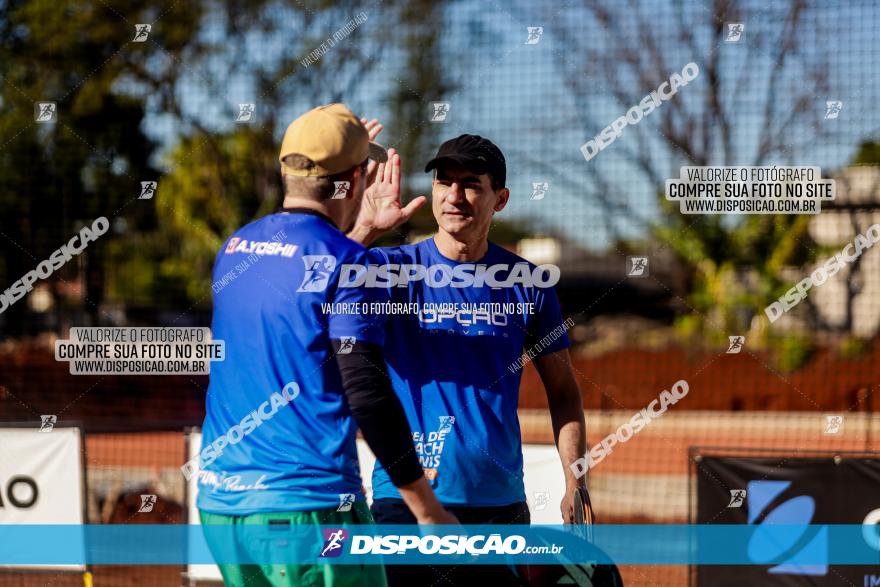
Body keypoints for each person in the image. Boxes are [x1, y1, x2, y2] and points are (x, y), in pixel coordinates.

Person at [196, 104, 455, 587]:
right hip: (309, 510)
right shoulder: (349, 264)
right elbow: (368, 394)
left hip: (222, 505)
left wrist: (360, 237)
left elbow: (304, 285)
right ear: (354, 181)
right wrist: (427, 509)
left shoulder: (235, 248)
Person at [347, 132, 589, 585]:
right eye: (444, 181)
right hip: (406, 503)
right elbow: (315, 298)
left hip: (500, 508)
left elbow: (564, 392)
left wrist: (575, 479)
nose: (454, 195)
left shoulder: (529, 283)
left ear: (500, 199)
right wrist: (364, 230)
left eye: (471, 184)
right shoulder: (388, 270)